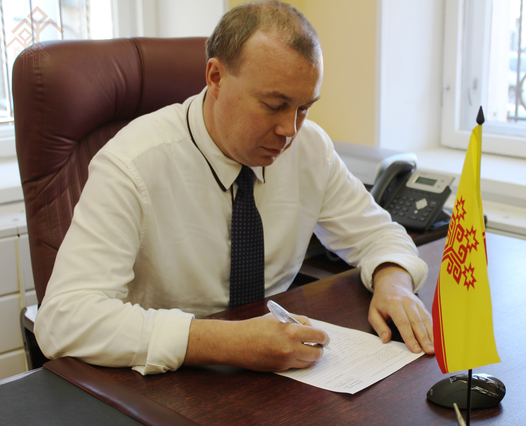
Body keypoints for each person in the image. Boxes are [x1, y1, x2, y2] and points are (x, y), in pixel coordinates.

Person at [34, 0, 434, 375]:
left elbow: (379, 235)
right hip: (162, 384)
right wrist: (228, 342)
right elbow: (63, 320)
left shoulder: (310, 148)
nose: (290, 130)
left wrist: (393, 282)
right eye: (274, 105)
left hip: (279, 377)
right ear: (216, 78)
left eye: (304, 107)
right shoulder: (132, 163)